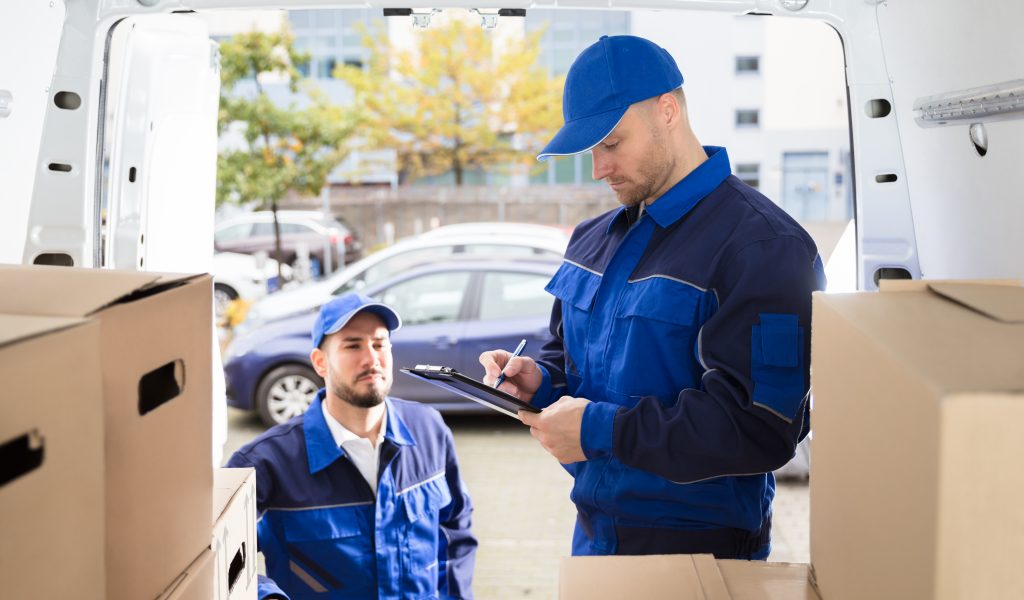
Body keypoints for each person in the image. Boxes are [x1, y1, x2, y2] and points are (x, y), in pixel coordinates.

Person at [480, 35, 825, 560]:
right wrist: (539, 380)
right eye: (591, 150)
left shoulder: (764, 248)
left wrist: (600, 430)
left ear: (667, 111)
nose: (599, 168)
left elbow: (760, 429)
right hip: (594, 536)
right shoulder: (590, 240)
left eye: (611, 143)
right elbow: (570, 359)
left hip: (701, 551)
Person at [228, 293, 477, 599]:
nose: (371, 359)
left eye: (379, 343)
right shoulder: (265, 463)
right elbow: (219, 560)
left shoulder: (429, 431)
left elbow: (455, 533)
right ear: (320, 362)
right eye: (352, 345)